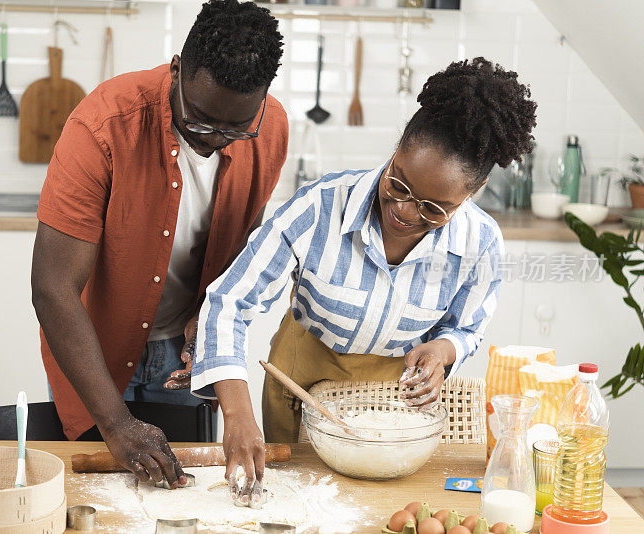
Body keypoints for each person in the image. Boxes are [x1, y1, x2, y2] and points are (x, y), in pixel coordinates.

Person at [188, 57, 537, 505]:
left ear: (475, 191)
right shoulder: (319, 208)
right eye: (400, 185)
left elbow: (466, 328)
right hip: (299, 390)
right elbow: (227, 303)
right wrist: (236, 414)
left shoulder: (480, 242)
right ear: (396, 151)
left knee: (375, 511)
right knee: (300, 503)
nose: (406, 214)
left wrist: (443, 350)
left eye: (434, 209)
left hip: (393, 411)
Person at [31, 0, 287, 490]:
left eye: (236, 128)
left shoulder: (271, 128)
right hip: (96, 352)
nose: (215, 140)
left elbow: (243, 236)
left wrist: (204, 322)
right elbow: (52, 288)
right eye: (202, 121)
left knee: (184, 500)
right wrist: (117, 424)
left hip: (187, 359)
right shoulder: (103, 125)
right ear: (176, 72)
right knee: (97, 500)